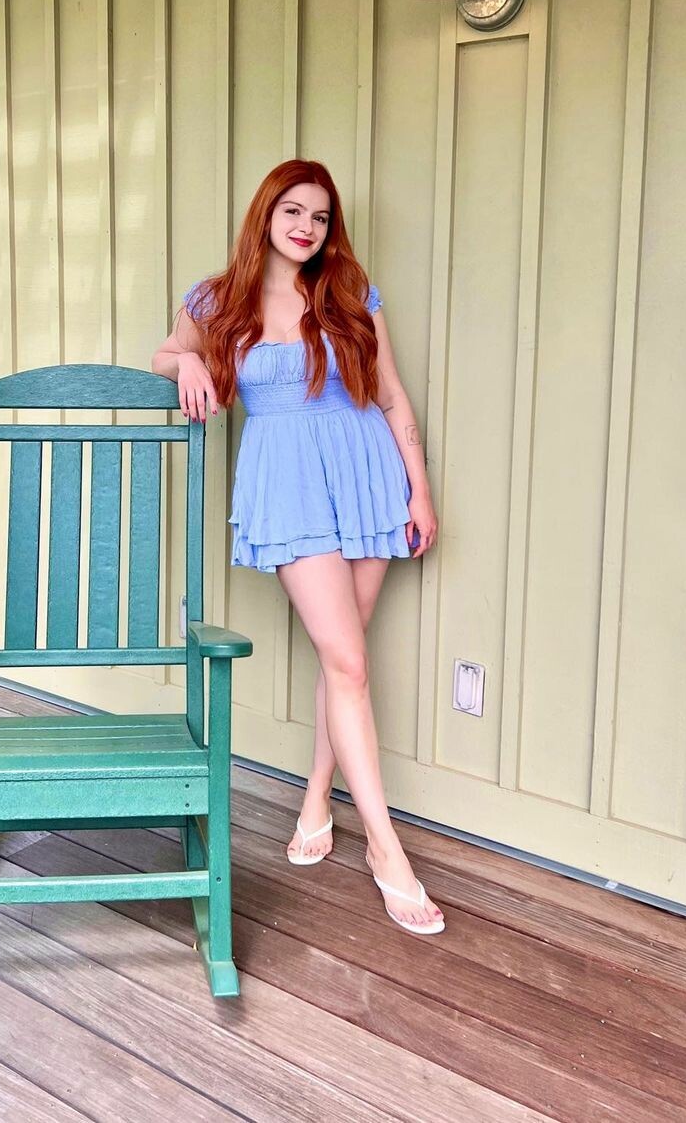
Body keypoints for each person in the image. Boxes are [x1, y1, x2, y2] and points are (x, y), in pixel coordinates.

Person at [150, 158, 444, 937]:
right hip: (288, 484)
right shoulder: (217, 299)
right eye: (293, 211)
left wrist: (418, 489)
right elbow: (163, 355)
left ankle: (317, 795)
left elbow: (389, 394)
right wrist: (188, 359)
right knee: (347, 661)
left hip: (367, 474)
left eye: (320, 216)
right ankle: (386, 849)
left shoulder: (349, 293)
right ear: (266, 214)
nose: (307, 227)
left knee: (344, 662)